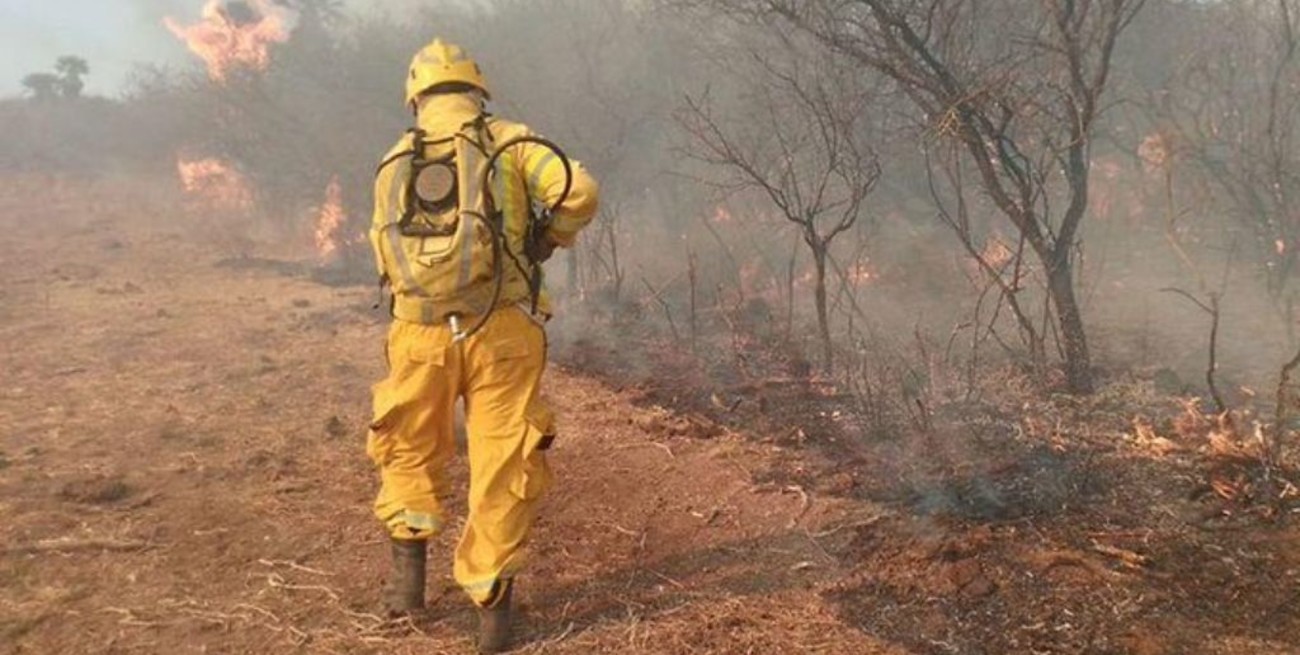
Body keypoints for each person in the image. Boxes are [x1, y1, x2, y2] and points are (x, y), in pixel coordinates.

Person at [365, 38, 598, 653]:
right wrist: (548, 240)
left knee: (408, 442)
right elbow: (581, 193)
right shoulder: (510, 141)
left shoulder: (395, 156)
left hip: (417, 330)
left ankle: (405, 590)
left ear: (415, 95)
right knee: (502, 459)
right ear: (477, 89)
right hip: (500, 328)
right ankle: (493, 618)